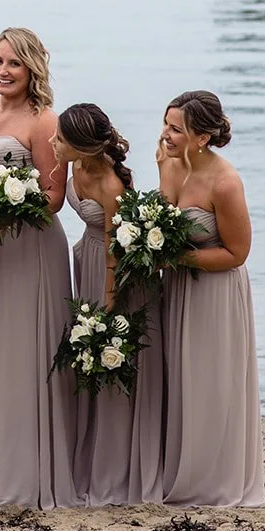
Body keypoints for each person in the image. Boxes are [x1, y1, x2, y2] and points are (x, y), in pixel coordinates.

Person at [0, 27, 78, 508]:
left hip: (27, 249)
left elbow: (53, 199)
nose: (2, 71)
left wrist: (3, 205)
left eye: (13, 63)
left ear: (32, 68)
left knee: (22, 355)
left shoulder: (44, 120)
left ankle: (24, 474)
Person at [53, 103, 162, 504]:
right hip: (87, 257)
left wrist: (108, 305)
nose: (53, 142)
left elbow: (118, 253)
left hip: (114, 273)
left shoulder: (112, 187)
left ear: (81, 146)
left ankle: (115, 469)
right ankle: (88, 460)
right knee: (88, 366)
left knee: (110, 360)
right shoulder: (74, 167)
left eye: (60, 139)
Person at [159, 90, 264, 506]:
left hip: (216, 293)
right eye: (165, 124)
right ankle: (180, 470)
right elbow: (164, 216)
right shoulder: (171, 164)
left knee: (211, 382)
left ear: (201, 137)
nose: (165, 135)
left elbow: (237, 253)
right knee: (181, 378)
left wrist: (176, 256)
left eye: (175, 129)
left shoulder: (225, 182)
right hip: (180, 289)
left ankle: (213, 480)